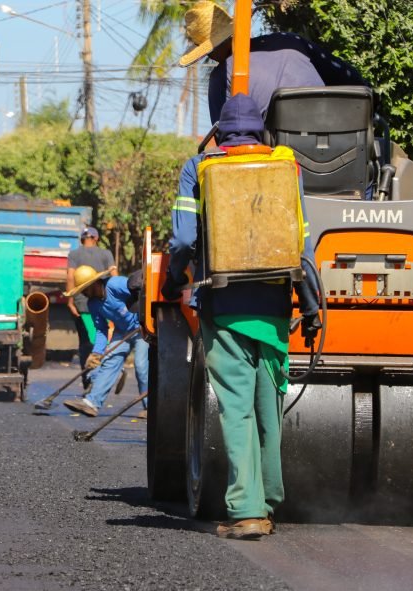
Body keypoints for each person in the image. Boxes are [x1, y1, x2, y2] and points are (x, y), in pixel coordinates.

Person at [162, 92, 322, 540]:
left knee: (236, 409)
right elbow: (302, 247)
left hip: (224, 307)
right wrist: (309, 307)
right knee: (268, 407)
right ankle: (269, 499)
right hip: (274, 310)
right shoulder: (285, 167)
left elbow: (182, 240)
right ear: (261, 131)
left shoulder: (201, 167)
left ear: (219, 131)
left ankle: (247, 511)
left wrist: (176, 279)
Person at [178, 1, 368, 124]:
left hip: (282, 165)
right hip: (341, 151)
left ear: (215, 47)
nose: (210, 57)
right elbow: (355, 82)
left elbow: (225, 138)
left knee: (191, 170)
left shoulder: (221, 76)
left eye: (208, 52)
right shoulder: (291, 42)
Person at [62, 266, 149, 419]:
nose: (83, 293)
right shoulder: (93, 304)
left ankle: (149, 407)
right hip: (122, 332)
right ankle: (92, 403)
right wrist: (97, 353)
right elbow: (101, 330)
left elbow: (142, 295)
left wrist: (145, 320)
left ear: (95, 283)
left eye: (85, 289)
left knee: (141, 365)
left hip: (142, 328)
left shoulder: (116, 285)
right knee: (109, 361)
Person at [66, 227, 117, 389]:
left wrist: (70, 300)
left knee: (86, 342)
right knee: (101, 337)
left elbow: (70, 276)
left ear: (82, 239)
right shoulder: (105, 254)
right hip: (104, 301)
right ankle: (98, 376)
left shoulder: (74, 254)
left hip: (82, 303)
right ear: (96, 238)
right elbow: (114, 275)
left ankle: (88, 379)